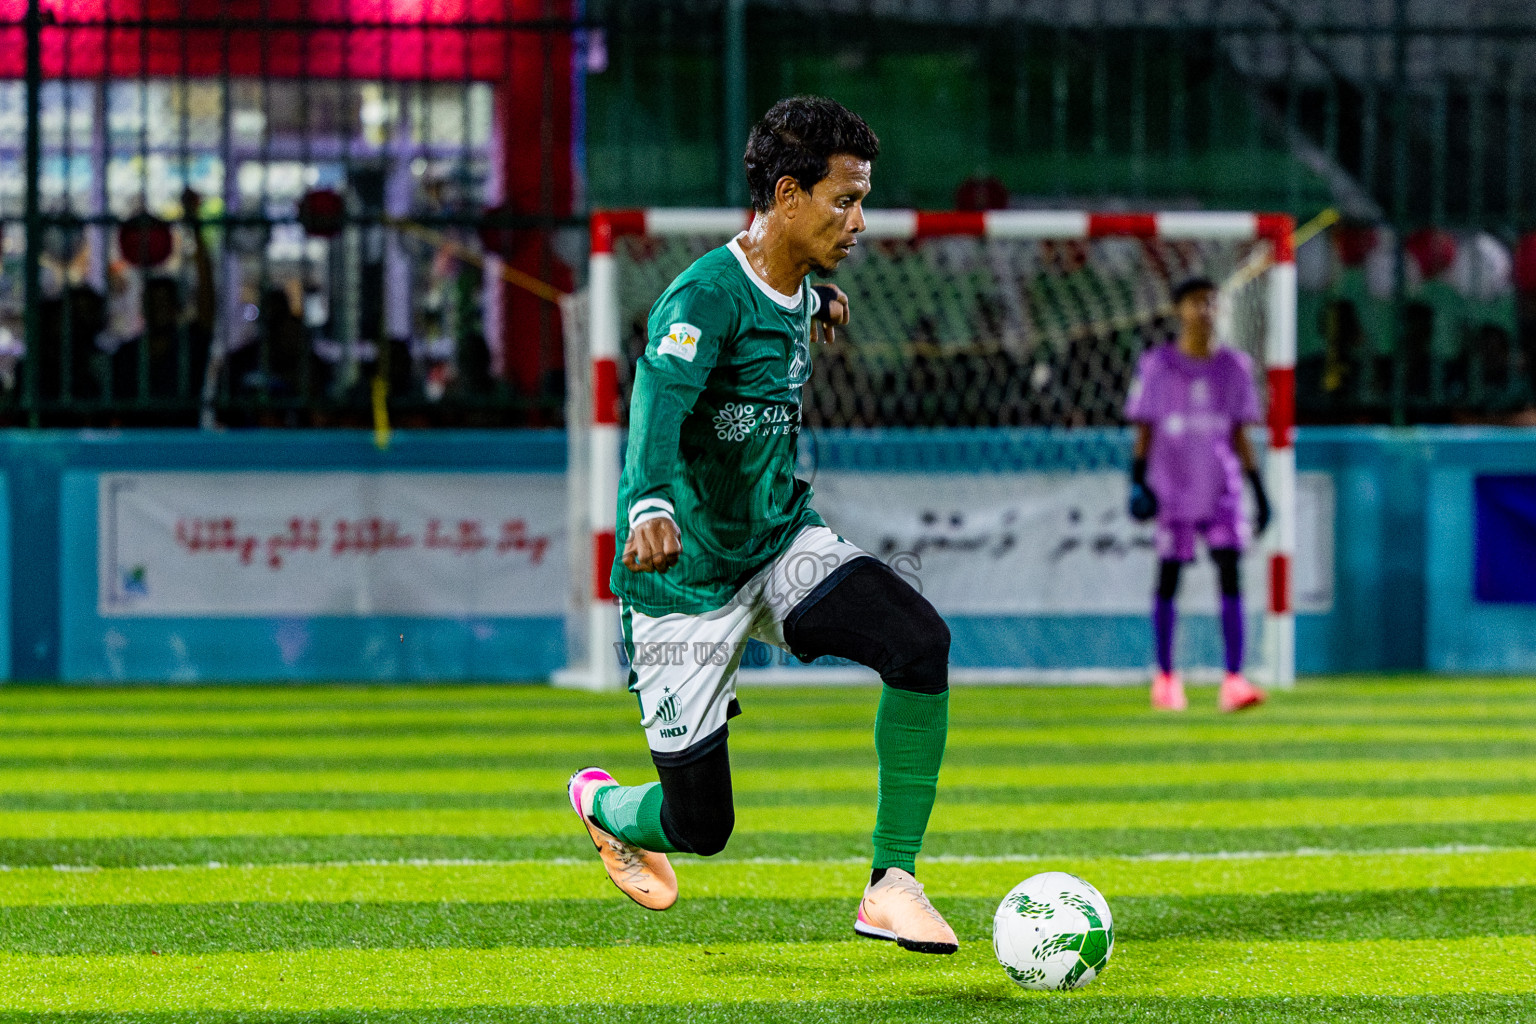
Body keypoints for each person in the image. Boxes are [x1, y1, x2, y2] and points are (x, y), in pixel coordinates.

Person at [567, 96, 958, 954]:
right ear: (787, 195)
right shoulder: (702, 297)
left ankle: (891, 881)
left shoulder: (792, 283)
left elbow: (779, 301)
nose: (860, 220)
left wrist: (815, 297)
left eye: (862, 200)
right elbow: (657, 404)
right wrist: (650, 504)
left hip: (781, 546)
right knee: (700, 826)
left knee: (918, 642)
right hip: (683, 584)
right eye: (843, 199)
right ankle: (599, 803)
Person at [1125, 277, 1269, 713]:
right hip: (1173, 488)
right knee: (1169, 577)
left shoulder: (1235, 368)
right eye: (1195, 302)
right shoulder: (1157, 366)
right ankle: (1167, 678)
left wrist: (1259, 491)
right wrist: (1137, 479)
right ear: (1178, 310)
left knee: (1230, 573)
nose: (1204, 310)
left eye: (1211, 302)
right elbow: (1144, 430)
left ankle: (1233, 679)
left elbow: (1240, 433)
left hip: (1221, 487)